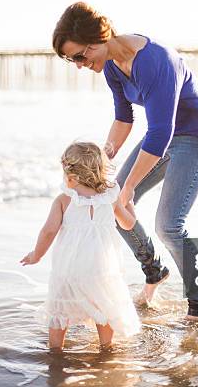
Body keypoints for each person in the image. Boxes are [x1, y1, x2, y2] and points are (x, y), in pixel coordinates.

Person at [52, 2, 198, 320]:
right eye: (72, 60)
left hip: (195, 136)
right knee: (111, 202)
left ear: (97, 39)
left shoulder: (155, 61)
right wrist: (102, 158)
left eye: (79, 56)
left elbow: (160, 131)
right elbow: (123, 118)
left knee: (169, 226)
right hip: (162, 138)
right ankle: (154, 268)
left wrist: (127, 186)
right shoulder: (112, 65)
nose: (78, 65)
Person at [20, 142, 141, 350]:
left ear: (70, 173)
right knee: (103, 306)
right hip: (102, 268)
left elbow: (48, 231)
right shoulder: (110, 198)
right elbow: (128, 224)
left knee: (60, 308)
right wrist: (129, 203)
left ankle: (56, 349)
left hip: (70, 268)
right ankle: (106, 347)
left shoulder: (64, 199)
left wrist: (36, 255)